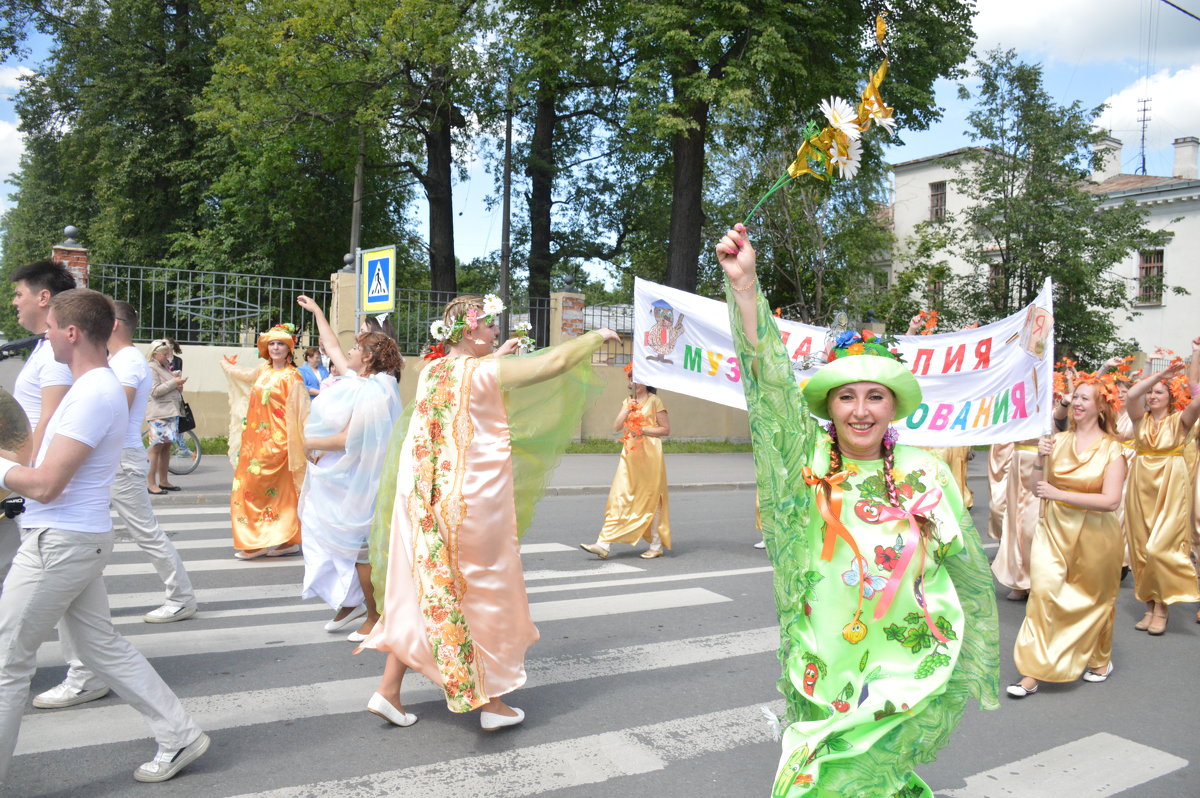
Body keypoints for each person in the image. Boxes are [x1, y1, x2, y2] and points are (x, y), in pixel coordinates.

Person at [716, 225, 998, 797]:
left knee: (873, 771)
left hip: (904, 653)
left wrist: (968, 644)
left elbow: (962, 562)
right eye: (847, 396)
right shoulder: (806, 458)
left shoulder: (924, 468)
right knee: (822, 767)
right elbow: (769, 387)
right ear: (830, 405)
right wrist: (746, 288)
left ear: (894, 406)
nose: (861, 410)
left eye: (875, 396)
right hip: (826, 651)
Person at [362, 293, 618, 731]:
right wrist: (594, 336)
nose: (498, 328)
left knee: (422, 590)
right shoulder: (483, 372)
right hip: (469, 507)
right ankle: (492, 704)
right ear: (471, 330)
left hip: (423, 504)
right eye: (492, 324)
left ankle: (388, 691)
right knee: (481, 595)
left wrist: (494, 356)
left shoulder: (432, 371)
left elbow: (469, 380)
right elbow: (551, 365)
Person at [0, 288, 209, 785]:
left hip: (62, 541)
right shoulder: (88, 387)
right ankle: (179, 734)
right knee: (101, 648)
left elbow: (48, 484)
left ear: (71, 333)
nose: (44, 334)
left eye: (50, 327)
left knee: (7, 663)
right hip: (73, 539)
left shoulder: (94, 393)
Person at [31, 304, 200, 714]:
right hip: (118, 460)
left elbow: (112, 410)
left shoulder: (124, 361)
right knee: (86, 548)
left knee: (142, 531)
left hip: (121, 461)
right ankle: (89, 671)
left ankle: (180, 595)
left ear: (115, 326)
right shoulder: (121, 360)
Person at [1007, 376, 1127, 698]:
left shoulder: (1113, 449)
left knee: (1096, 600)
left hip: (1096, 535)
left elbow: (1111, 501)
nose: (1077, 403)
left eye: (1085, 398)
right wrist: (1039, 460)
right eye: (1075, 397)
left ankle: (1100, 659)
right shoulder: (1056, 442)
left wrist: (1059, 493)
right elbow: (1036, 487)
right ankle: (1031, 673)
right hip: (1053, 530)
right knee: (1043, 595)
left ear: (1101, 406)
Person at [295, 295, 403, 641]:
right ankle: (350, 601)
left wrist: (307, 443)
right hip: (352, 475)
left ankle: (375, 617)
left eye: (357, 347)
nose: (348, 352)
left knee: (362, 550)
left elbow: (349, 440)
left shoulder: (376, 388)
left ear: (369, 356)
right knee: (344, 545)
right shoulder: (367, 382)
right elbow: (331, 346)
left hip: (364, 480)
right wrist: (317, 312)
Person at [3, 260, 76, 589]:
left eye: (19, 294)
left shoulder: (54, 355)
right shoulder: (45, 349)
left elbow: (51, 420)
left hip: (34, 489)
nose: (15, 301)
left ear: (43, 297)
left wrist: (25, 482)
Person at [1123, 345, 1200, 635]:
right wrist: (1160, 375)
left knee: (1161, 548)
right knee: (1142, 548)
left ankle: (1164, 607)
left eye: (1160, 392)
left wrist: (1195, 358)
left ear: (1170, 399)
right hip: (1141, 483)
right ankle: (1149, 606)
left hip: (1171, 482)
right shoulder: (1138, 419)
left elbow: (1198, 399)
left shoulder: (1180, 420)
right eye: (1151, 392)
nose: (1153, 396)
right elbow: (1131, 394)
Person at [221, 323, 310, 559]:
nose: (276, 348)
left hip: (280, 445)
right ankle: (272, 539)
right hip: (255, 444)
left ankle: (273, 541)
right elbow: (245, 375)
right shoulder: (263, 371)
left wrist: (304, 443)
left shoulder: (293, 376)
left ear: (289, 348)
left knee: (279, 492)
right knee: (251, 488)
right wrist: (228, 366)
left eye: (281, 343)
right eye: (272, 343)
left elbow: (302, 411)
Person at [580, 364, 671, 559]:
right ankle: (603, 543)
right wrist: (627, 409)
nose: (632, 382)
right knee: (619, 496)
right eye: (630, 378)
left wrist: (644, 430)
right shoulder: (628, 401)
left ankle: (656, 545)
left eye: (635, 379)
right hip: (630, 454)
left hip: (650, 454)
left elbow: (665, 429)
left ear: (645, 383)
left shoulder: (655, 401)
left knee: (650, 497)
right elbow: (616, 426)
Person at [990, 437, 1040, 600]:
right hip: (1017, 462)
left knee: (1031, 526)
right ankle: (1019, 579)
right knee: (1014, 523)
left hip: (1042, 462)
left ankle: (1037, 579)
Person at [146, 339, 186, 494]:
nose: (168, 357)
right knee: (155, 449)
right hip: (159, 414)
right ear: (155, 354)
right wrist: (173, 382)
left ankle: (164, 481)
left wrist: (178, 385)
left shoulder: (164, 368)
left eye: (168, 354)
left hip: (170, 412)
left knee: (166, 448)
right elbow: (154, 391)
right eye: (165, 354)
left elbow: (171, 389)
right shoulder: (151, 368)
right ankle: (151, 483)